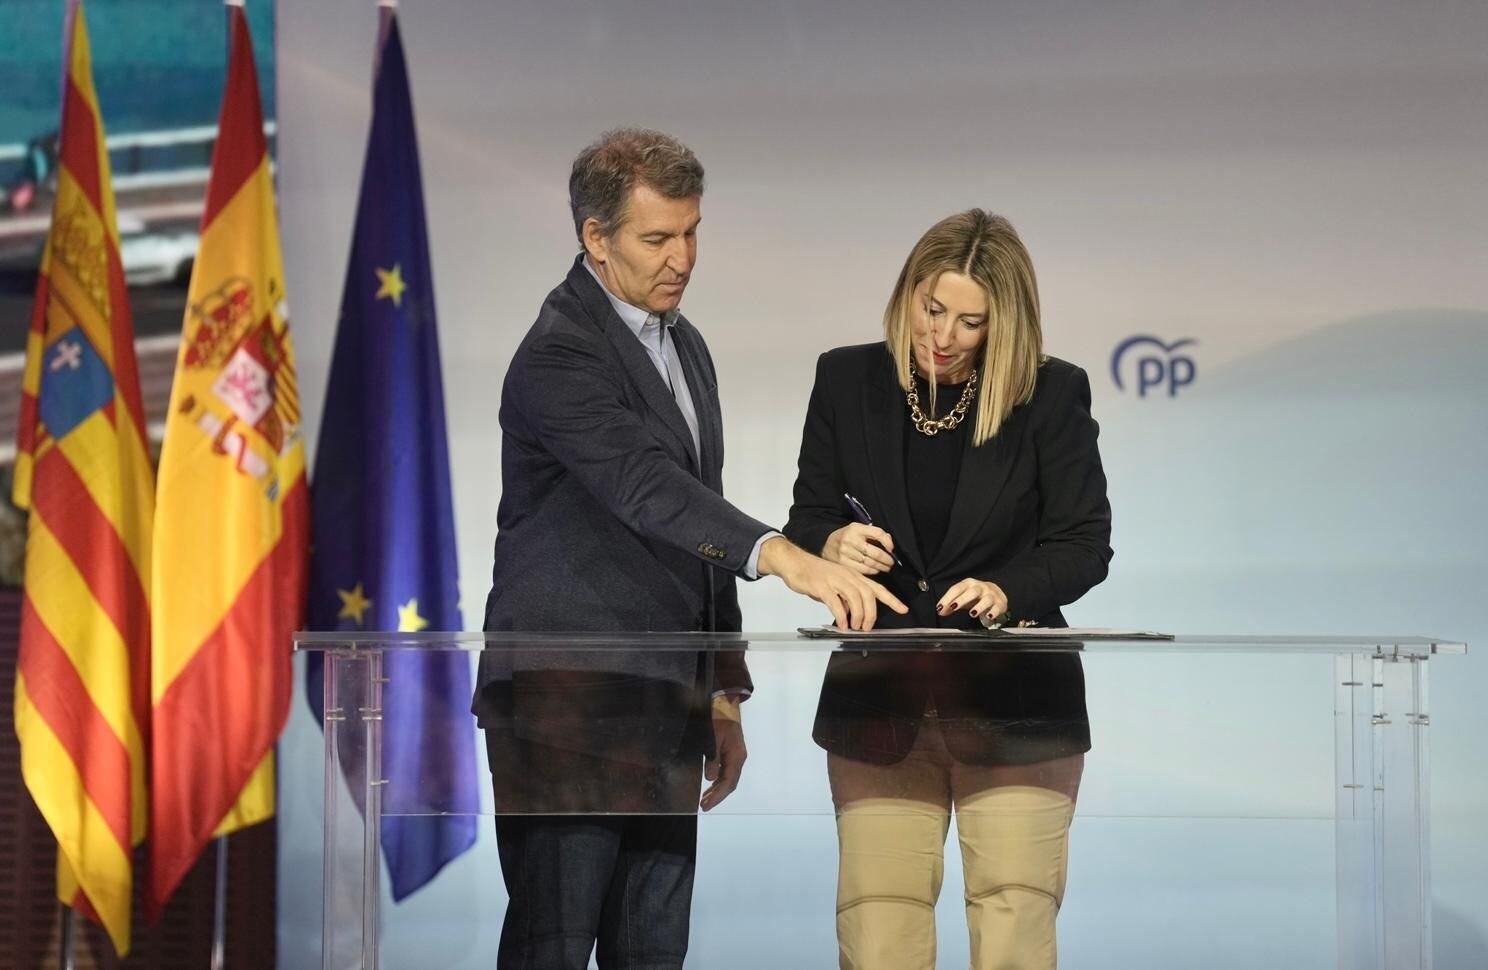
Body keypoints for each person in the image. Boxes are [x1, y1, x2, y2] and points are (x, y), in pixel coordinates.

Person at [475, 127, 905, 970]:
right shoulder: (559, 352)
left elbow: (696, 519)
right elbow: (644, 487)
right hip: (567, 708)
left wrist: (723, 689)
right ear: (595, 240)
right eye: (657, 238)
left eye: (692, 231)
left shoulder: (687, 345)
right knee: (551, 951)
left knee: (653, 954)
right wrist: (788, 555)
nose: (683, 257)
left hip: (664, 704)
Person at [783, 208, 1112, 970]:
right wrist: (828, 543)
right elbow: (808, 518)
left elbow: (1084, 544)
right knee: (878, 930)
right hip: (880, 705)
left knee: (1012, 927)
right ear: (908, 293)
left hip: (1018, 707)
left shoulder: (1050, 394)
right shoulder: (846, 379)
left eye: (971, 322)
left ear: (1004, 323)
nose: (944, 335)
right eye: (933, 309)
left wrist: (1007, 591)